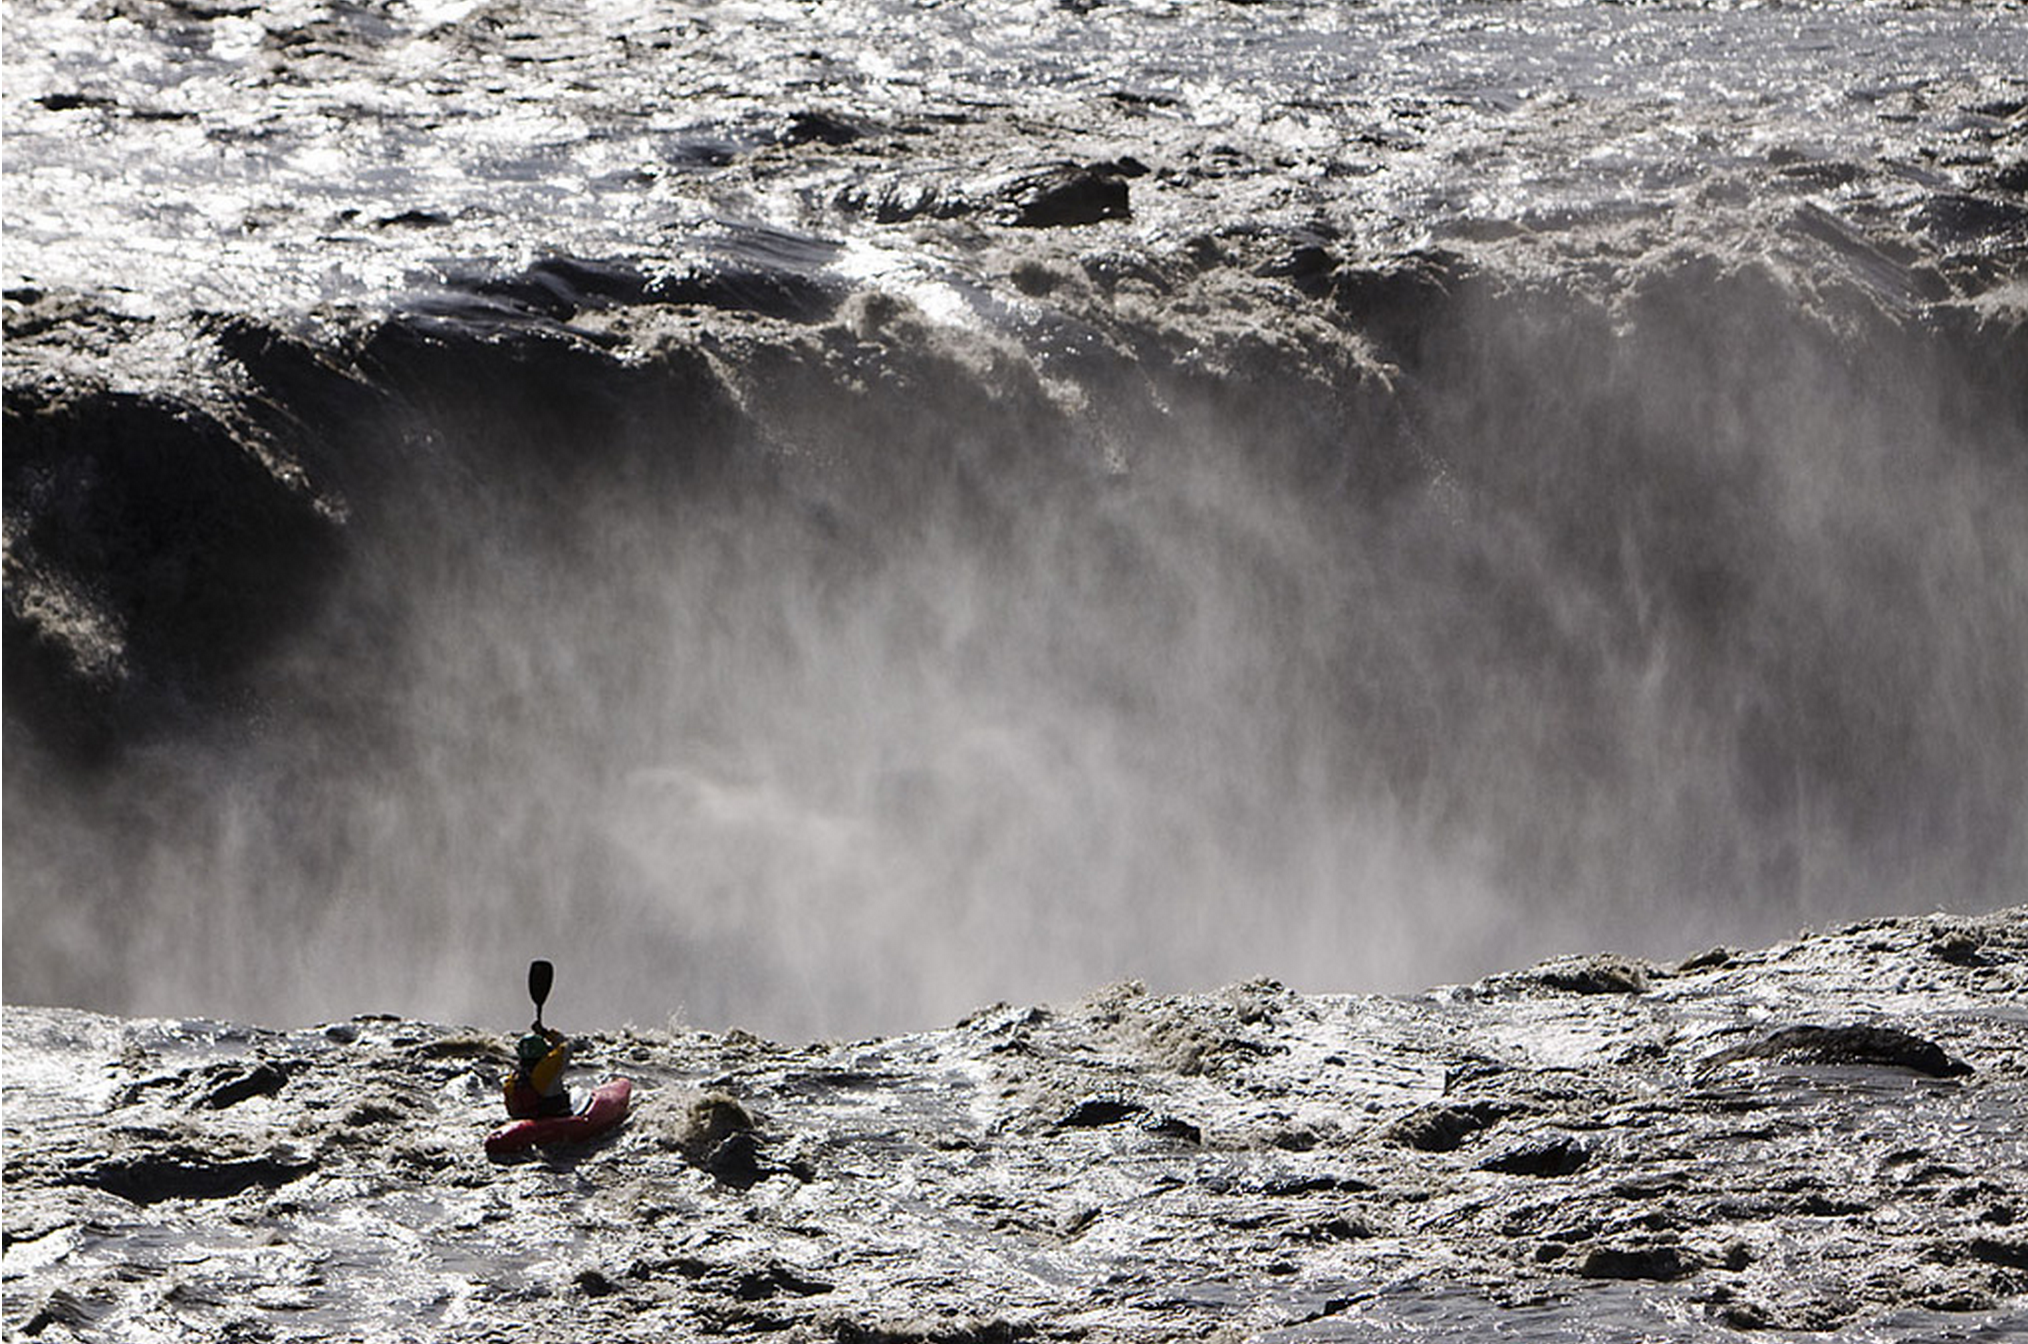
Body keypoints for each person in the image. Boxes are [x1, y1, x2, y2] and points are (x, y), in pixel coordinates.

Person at [504, 1024, 573, 1118]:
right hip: (555, 1118)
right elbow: (567, 1045)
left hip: (523, 1120)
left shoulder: (512, 1080)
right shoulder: (548, 1066)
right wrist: (546, 1033)